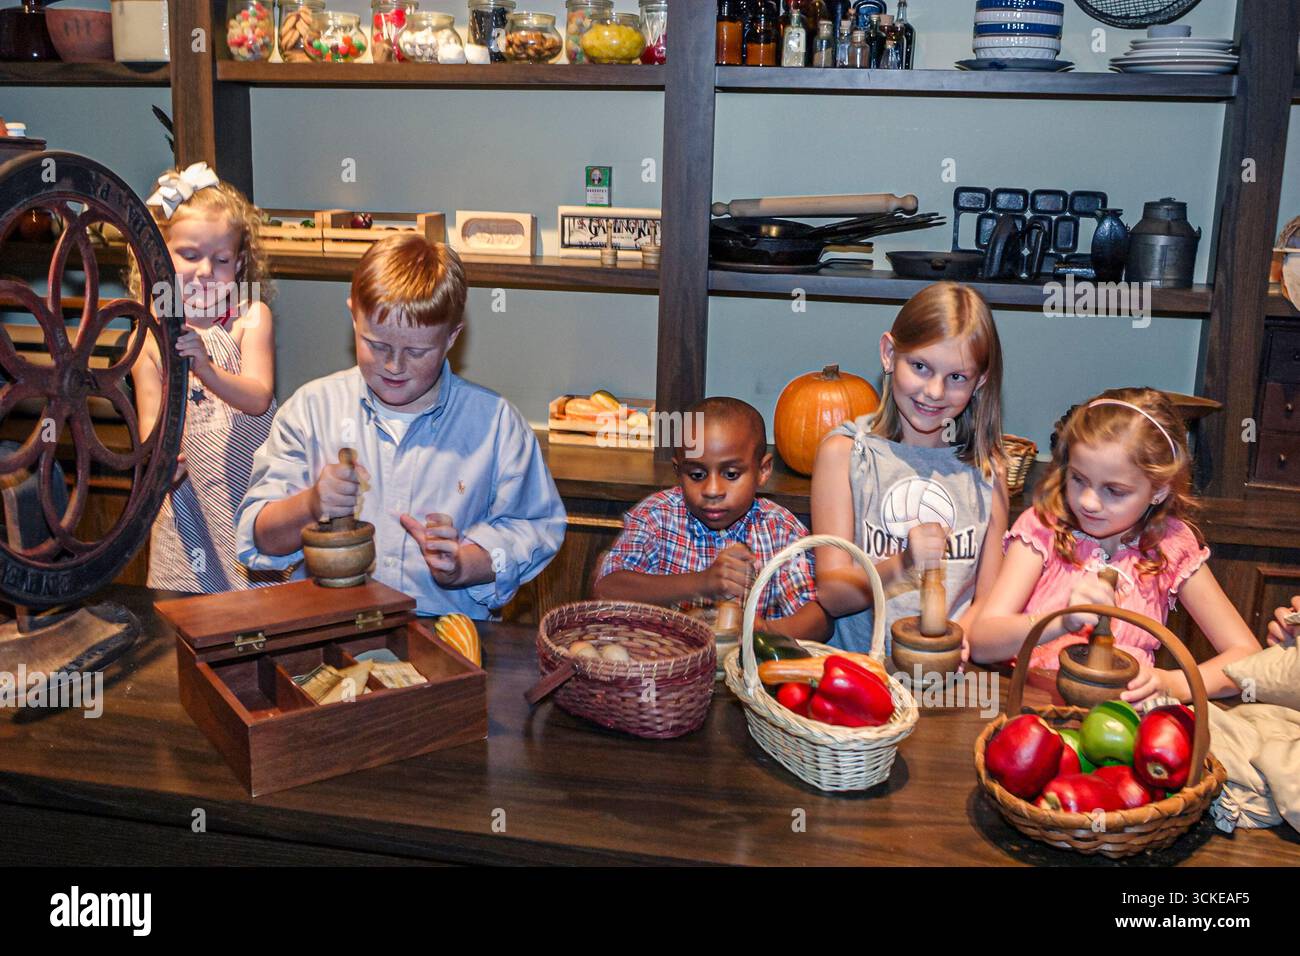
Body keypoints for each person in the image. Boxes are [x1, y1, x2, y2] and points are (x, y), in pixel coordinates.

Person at [233, 234, 566, 617]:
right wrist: (310, 504)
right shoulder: (309, 410)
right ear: (353, 316)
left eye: (416, 351)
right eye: (375, 344)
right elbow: (260, 537)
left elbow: (534, 528)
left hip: (447, 634)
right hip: (329, 630)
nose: (394, 366)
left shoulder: (496, 426)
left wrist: (463, 563)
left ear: (451, 338)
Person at [969, 386, 1258, 703]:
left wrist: (1173, 683)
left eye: (1115, 491)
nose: (1089, 502)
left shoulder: (1171, 546)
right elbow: (982, 642)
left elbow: (1248, 659)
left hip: (1124, 722)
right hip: (1033, 711)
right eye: (1078, 479)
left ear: (1158, 490)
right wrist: (1059, 620)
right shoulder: (1043, 529)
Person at [811, 282, 1009, 654]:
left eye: (957, 377)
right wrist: (903, 562)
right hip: (858, 678)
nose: (934, 391)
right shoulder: (847, 456)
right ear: (889, 354)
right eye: (920, 366)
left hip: (949, 681)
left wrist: (956, 643)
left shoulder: (987, 471)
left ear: (980, 381)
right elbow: (833, 596)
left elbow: (988, 600)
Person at [130, 161, 287, 592]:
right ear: (160, 257)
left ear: (238, 265)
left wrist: (207, 369)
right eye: (189, 256)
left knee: (258, 611)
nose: (204, 271)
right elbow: (151, 423)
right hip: (188, 506)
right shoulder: (150, 336)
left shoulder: (250, 319)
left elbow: (257, 397)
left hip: (248, 493)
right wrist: (160, 461)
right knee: (185, 614)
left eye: (219, 260)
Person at [593, 397, 829, 641]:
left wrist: (762, 632)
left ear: (763, 471)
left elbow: (818, 619)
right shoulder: (657, 517)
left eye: (731, 474)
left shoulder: (780, 530)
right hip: (662, 667)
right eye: (696, 474)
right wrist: (701, 582)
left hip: (748, 674)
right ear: (678, 472)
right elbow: (606, 589)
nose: (713, 490)